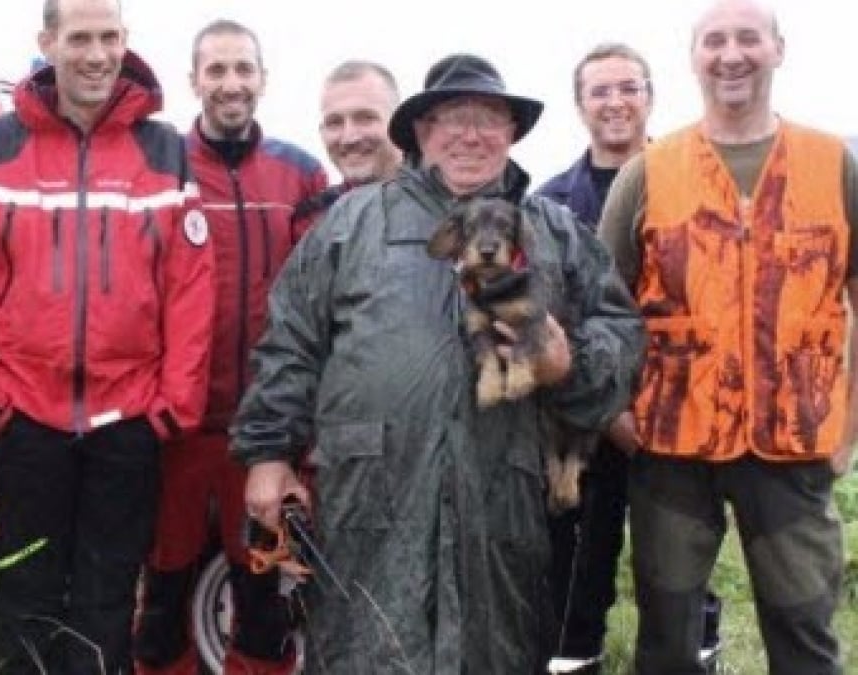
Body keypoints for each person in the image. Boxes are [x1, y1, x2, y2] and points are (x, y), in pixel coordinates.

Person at [232, 53, 644, 674]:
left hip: (505, 508)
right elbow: (290, 340)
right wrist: (268, 456)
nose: (471, 134)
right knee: (361, 654)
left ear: (513, 133)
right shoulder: (352, 223)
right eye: (452, 118)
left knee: (494, 658)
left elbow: (623, 335)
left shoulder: (556, 233)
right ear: (421, 133)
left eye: (489, 118)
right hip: (367, 503)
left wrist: (570, 364)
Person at [0, 0, 215, 671]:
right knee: (27, 587)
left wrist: (174, 404)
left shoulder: (163, 147)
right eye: (80, 38)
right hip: (24, 416)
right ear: (48, 43)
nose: (96, 54)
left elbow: (191, 287)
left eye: (109, 37)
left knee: (108, 590)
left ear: (125, 41)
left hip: (129, 419)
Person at [598, 2, 856, 673]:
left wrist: (851, 426)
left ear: (778, 49)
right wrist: (616, 415)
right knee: (667, 632)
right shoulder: (649, 172)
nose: (731, 54)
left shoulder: (835, 163)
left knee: (805, 632)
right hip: (671, 444)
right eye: (714, 41)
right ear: (693, 58)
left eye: (748, 38)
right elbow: (600, 306)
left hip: (793, 438)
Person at [134, 18, 326, 675]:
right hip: (178, 428)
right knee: (165, 588)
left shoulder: (300, 173)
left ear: (263, 79)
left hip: (267, 432)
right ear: (194, 81)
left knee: (265, 594)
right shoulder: (160, 163)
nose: (230, 83)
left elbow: (319, 302)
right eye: (216, 71)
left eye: (243, 69)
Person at [536, 43, 722, 674]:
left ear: (650, 95)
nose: (615, 102)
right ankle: (573, 658)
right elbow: (546, 317)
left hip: (681, 419)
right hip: (582, 423)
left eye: (628, 87)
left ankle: (695, 659)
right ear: (580, 104)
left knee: (681, 571)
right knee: (574, 574)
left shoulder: (701, 185)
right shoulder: (551, 203)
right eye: (599, 90)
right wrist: (612, 412)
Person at [292, 59, 402, 227]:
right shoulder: (314, 221)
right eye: (335, 123)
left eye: (365, 118)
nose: (349, 138)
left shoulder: (446, 201)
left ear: (400, 121)